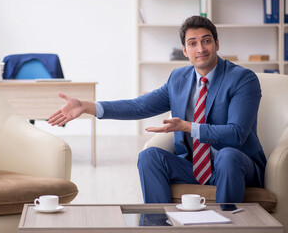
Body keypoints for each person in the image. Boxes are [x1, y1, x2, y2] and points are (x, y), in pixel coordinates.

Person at [48, 15, 266, 204]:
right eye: (192, 43)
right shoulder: (178, 79)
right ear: (184, 50)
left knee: (227, 156)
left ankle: (228, 226)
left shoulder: (242, 79)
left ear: (217, 44)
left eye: (206, 41)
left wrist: (189, 127)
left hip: (236, 167)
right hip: (194, 167)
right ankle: (159, 223)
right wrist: (89, 107)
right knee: (149, 156)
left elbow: (237, 134)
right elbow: (140, 106)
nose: (200, 49)